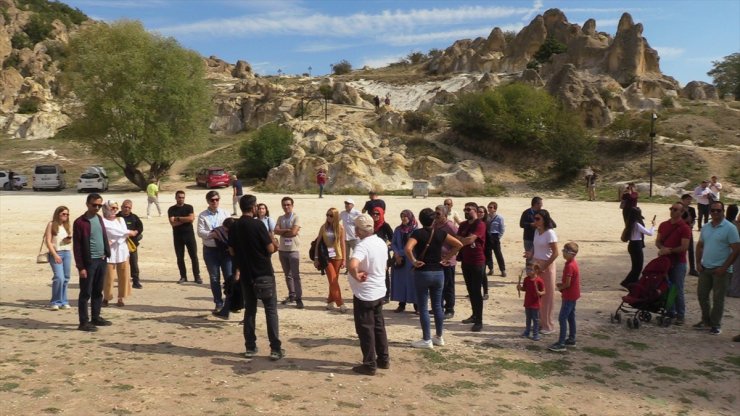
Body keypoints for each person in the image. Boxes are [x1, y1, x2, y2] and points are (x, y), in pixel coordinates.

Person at [228, 194, 284, 361]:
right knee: (270, 310)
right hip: (263, 272)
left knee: (250, 311)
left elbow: (231, 251)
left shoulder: (234, 226)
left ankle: (250, 347)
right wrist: (274, 243)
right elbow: (269, 249)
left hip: (246, 274)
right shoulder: (258, 225)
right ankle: (275, 348)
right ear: (253, 208)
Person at [406, 208, 462, 349]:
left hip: (423, 272)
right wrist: (446, 258)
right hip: (438, 272)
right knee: (438, 306)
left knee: (423, 307)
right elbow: (459, 245)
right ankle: (439, 336)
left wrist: (413, 261)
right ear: (434, 219)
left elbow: (408, 248)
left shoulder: (417, 233)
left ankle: (426, 339)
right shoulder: (440, 233)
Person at [347, 213, 391, 375]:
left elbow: (352, 264)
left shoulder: (362, 246)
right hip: (379, 290)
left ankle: (369, 363)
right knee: (378, 326)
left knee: (366, 328)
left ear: (359, 230)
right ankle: (383, 359)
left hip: (365, 293)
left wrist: (356, 274)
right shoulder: (380, 242)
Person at [694, 201, 740, 335]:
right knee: (702, 295)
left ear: (723, 212)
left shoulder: (730, 228)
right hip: (705, 267)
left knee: (718, 298)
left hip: (721, 270)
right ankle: (705, 320)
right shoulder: (706, 227)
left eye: (718, 211)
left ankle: (715, 324)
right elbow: (700, 245)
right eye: (713, 210)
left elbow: (736, 250)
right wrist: (698, 263)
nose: (715, 213)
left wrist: (725, 267)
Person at [73, 193, 112, 332]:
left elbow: (103, 236)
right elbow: (77, 247)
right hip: (89, 262)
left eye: (99, 205)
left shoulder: (99, 218)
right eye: (94, 205)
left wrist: (107, 252)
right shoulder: (80, 222)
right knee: (85, 293)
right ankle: (83, 322)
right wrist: (81, 267)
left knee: (97, 291)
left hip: (102, 260)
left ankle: (96, 317)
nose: (96, 208)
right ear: (87, 204)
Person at [655, 201, 691, 325]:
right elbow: (658, 241)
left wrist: (668, 250)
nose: (672, 211)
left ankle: (680, 314)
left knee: (677, 288)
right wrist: (661, 248)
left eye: (676, 209)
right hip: (665, 261)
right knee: (666, 287)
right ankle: (670, 311)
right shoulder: (663, 225)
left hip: (678, 263)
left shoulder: (685, 228)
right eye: (671, 208)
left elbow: (684, 247)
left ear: (681, 212)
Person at [197, 190, 231, 311]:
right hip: (210, 250)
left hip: (224, 249)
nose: (215, 202)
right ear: (208, 201)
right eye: (212, 200)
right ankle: (218, 302)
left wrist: (220, 234)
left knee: (229, 276)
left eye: (217, 199)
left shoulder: (225, 213)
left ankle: (230, 302)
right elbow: (200, 232)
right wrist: (214, 234)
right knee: (214, 277)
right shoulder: (202, 215)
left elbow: (230, 228)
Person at [527, 209, 558, 334]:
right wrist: (531, 254)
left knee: (547, 296)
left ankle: (548, 325)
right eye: (535, 218)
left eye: (538, 219)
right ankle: (539, 322)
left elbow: (555, 253)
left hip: (546, 265)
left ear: (545, 219)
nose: (535, 221)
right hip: (536, 263)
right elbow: (536, 247)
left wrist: (545, 266)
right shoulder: (536, 231)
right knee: (536, 293)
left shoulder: (550, 233)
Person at [457, 202, 486, 332]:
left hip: (477, 261)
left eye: (469, 209)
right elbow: (457, 239)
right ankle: (474, 315)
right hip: (466, 261)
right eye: (465, 209)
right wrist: (462, 240)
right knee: (470, 291)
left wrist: (462, 240)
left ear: (475, 210)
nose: (466, 211)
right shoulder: (463, 225)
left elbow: (469, 240)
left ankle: (479, 320)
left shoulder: (480, 224)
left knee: (476, 291)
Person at [102, 201, 136, 308]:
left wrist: (114, 239)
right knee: (108, 277)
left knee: (124, 276)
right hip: (109, 253)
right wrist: (128, 232)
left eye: (116, 208)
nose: (114, 210)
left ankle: (121, 297)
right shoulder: (102, 221)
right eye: (112, 208)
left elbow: (123, 233)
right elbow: (114, 231)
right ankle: (106, 297)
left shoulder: (120, 219)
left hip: (122, 251)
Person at [548, 242, 580, 352]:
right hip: (573, 295)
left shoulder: (570, 266)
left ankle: (561, 343)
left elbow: (567, 283)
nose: (563, 253)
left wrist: (560, 287)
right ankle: (571, 339)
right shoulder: (572, 263)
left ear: (572, 254)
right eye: (563, 251)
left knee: (562, 318)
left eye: (565, 252)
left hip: (569, 295)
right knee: (571, 316)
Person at [315, 207, 347, 312]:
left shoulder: (341, 228)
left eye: (331, 215)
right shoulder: (323, 227)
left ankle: (330, 301)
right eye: (327, 215)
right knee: (333, 279)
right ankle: (340, 303)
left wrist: (344, 259)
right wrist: (316, 258)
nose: (328, 217)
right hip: (325, 256)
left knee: (334, 280)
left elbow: (342, 244)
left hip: (337, 256)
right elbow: (318, 243)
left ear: (336, 217)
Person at [274, 196, 303, 307]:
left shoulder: (296, 217)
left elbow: (294, 232)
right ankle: (292, 294)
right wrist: (287, 230)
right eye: (284, 205)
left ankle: (299, 298)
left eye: (288, 204)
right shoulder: (280, 218)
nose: (286, 207)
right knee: (287, 275)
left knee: (296, 275)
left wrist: (283, 232)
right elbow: (275, 230)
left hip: (293, 249)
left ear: (292, 205)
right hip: (282, 250)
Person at [168, 190, 201, 284]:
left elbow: (191, 218)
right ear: (176, 197)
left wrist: (178, 218)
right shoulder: (171, 209)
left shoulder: (189, 207)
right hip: (178, 236)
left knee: (194, 256)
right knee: (180, 257)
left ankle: (197, 276)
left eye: (182, 197)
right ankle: (183, 276)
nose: (181, 199)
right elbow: (172, 223)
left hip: (189, 235)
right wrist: (185, 220)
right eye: (179, 197)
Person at [212, 217, 241, 319]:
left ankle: (227, 311)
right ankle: (226, 311)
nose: (225, 231)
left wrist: (238, 271)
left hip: (239, 266)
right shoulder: (236, 235)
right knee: (232, 287)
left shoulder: (237, 237)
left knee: (237, 289)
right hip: (237, 265)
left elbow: (237, 253)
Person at [44, 206, 73, 310]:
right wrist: (55, 255)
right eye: (63, 214)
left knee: (65, 278)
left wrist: (69, 239)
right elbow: (48, 241)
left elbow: (68, 241)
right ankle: (55, 301)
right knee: (59, 278)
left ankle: (64, 301)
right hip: (56, 253)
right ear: (58, 214)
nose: (66, 216)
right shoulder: (51, 224)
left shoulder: (67, 225)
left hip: (67, 252)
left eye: (67, 214)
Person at [390, 209, 418, 313]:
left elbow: (415, 246)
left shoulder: (416, 230)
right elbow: (393, 243)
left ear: (410, 217)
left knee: (413, 282)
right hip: (400, 260)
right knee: (400, 282)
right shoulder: (398, 229)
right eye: (402, 216)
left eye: (405, 216)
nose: (403, 218)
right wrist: (397, 254)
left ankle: (417, 305)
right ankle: (401, 304)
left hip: (411, 259)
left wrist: (401, 253)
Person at [620, 207, 655, 288]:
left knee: (635, 266)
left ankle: (632, 282)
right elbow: (650, 233)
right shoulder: (637, 224)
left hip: (631, 245)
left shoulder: (630, 223)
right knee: (638, 267)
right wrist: (653, 225)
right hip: (637, 245)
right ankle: (627, 282)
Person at [434, 204, 458, 319]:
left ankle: (450, 309)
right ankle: (439, 307)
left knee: (448, 286)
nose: (436, 215)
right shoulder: (435, 225)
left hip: (448, 262)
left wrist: (447, 257)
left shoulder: (450, 226)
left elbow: (458, 243)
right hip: (436, 261)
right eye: (435, 213)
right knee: (438, 285)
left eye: (438, 213)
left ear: (444, 214)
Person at [118, 199, 144, 289]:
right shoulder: (116, 217)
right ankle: (122, 281)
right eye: (125, 207)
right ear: (121, 207)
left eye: (129, 207)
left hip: (131, 244)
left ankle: (136, 281)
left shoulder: (134, 217)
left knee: (134, 263)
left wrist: (135, 232)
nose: (126, 209)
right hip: (119, 245)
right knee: (120, 264)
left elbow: (140, 227)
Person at [371, 207, 393, 302]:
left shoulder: (385, 226)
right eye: (374, 213)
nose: (375, 215)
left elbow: (393, 239)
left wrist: (386, 244)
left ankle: (386, 295)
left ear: (381, 214)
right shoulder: (370, 225)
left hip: (383, 253)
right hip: (372, 253)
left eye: (377, 214)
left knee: (384, 274)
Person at [517, 264, 545, 341]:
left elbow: (544, 291)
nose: (528, 271)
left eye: (530, 270)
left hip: (535, 304)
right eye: (527, 269)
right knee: (528, 319)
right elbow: (524, 288)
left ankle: (535, 334)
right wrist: (520, 288)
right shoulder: (526, 279)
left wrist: (539, 293)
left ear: (536, 271)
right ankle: (527, 332)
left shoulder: (539, 280)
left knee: (535, 320)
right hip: (527, 303)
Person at [520, 197, 542, 266]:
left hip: (539, 238)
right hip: (528, 239)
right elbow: (521, 224)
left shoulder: (542, 213)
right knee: (529, 257)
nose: (541, 205)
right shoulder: (526, 213)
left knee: (538, 257)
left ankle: (537, 275)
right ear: (536, 204)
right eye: (540, 204)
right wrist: (530, 225)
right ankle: (529, 274)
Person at [486, 201, 506, 277]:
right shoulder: (486, 217)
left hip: (495, 236)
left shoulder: (499, 218)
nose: (489, 209)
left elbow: (502, 228)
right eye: (488, 207)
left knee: (498, 254)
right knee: (488, 254)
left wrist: (498, 237)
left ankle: (502, 270)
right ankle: (491, 269)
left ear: (495, 209)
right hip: (488, 236)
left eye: (491, 207)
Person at [680, 193, 699, 276]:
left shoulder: (692, 209)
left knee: (691, 250)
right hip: (680, 231)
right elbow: (677, 221)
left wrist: (692, 224)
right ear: (683, 200)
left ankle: (692, 269)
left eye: (690, 200)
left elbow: (694, 219)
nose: (689, 201)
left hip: (689, 230)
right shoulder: (679, 209)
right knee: (680, 249)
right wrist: (685, 221)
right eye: (687, 199)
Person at [477, 205, 490, 300]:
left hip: (484, 251)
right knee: (475, 274)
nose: (480, 213)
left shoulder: (486, 224)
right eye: (478, 211)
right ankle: (475, 291)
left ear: (485, 213)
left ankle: (485, 292)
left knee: (482, 273)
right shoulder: (474, 223)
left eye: (481, 212)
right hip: (475, 251)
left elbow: (490, 240)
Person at [727, 204, 740, 298]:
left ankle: (728, 288)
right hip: (735, 249)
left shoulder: (724, 222)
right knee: (736, 271)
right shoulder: (735, 224)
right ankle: (733, 291)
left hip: (727, 249)